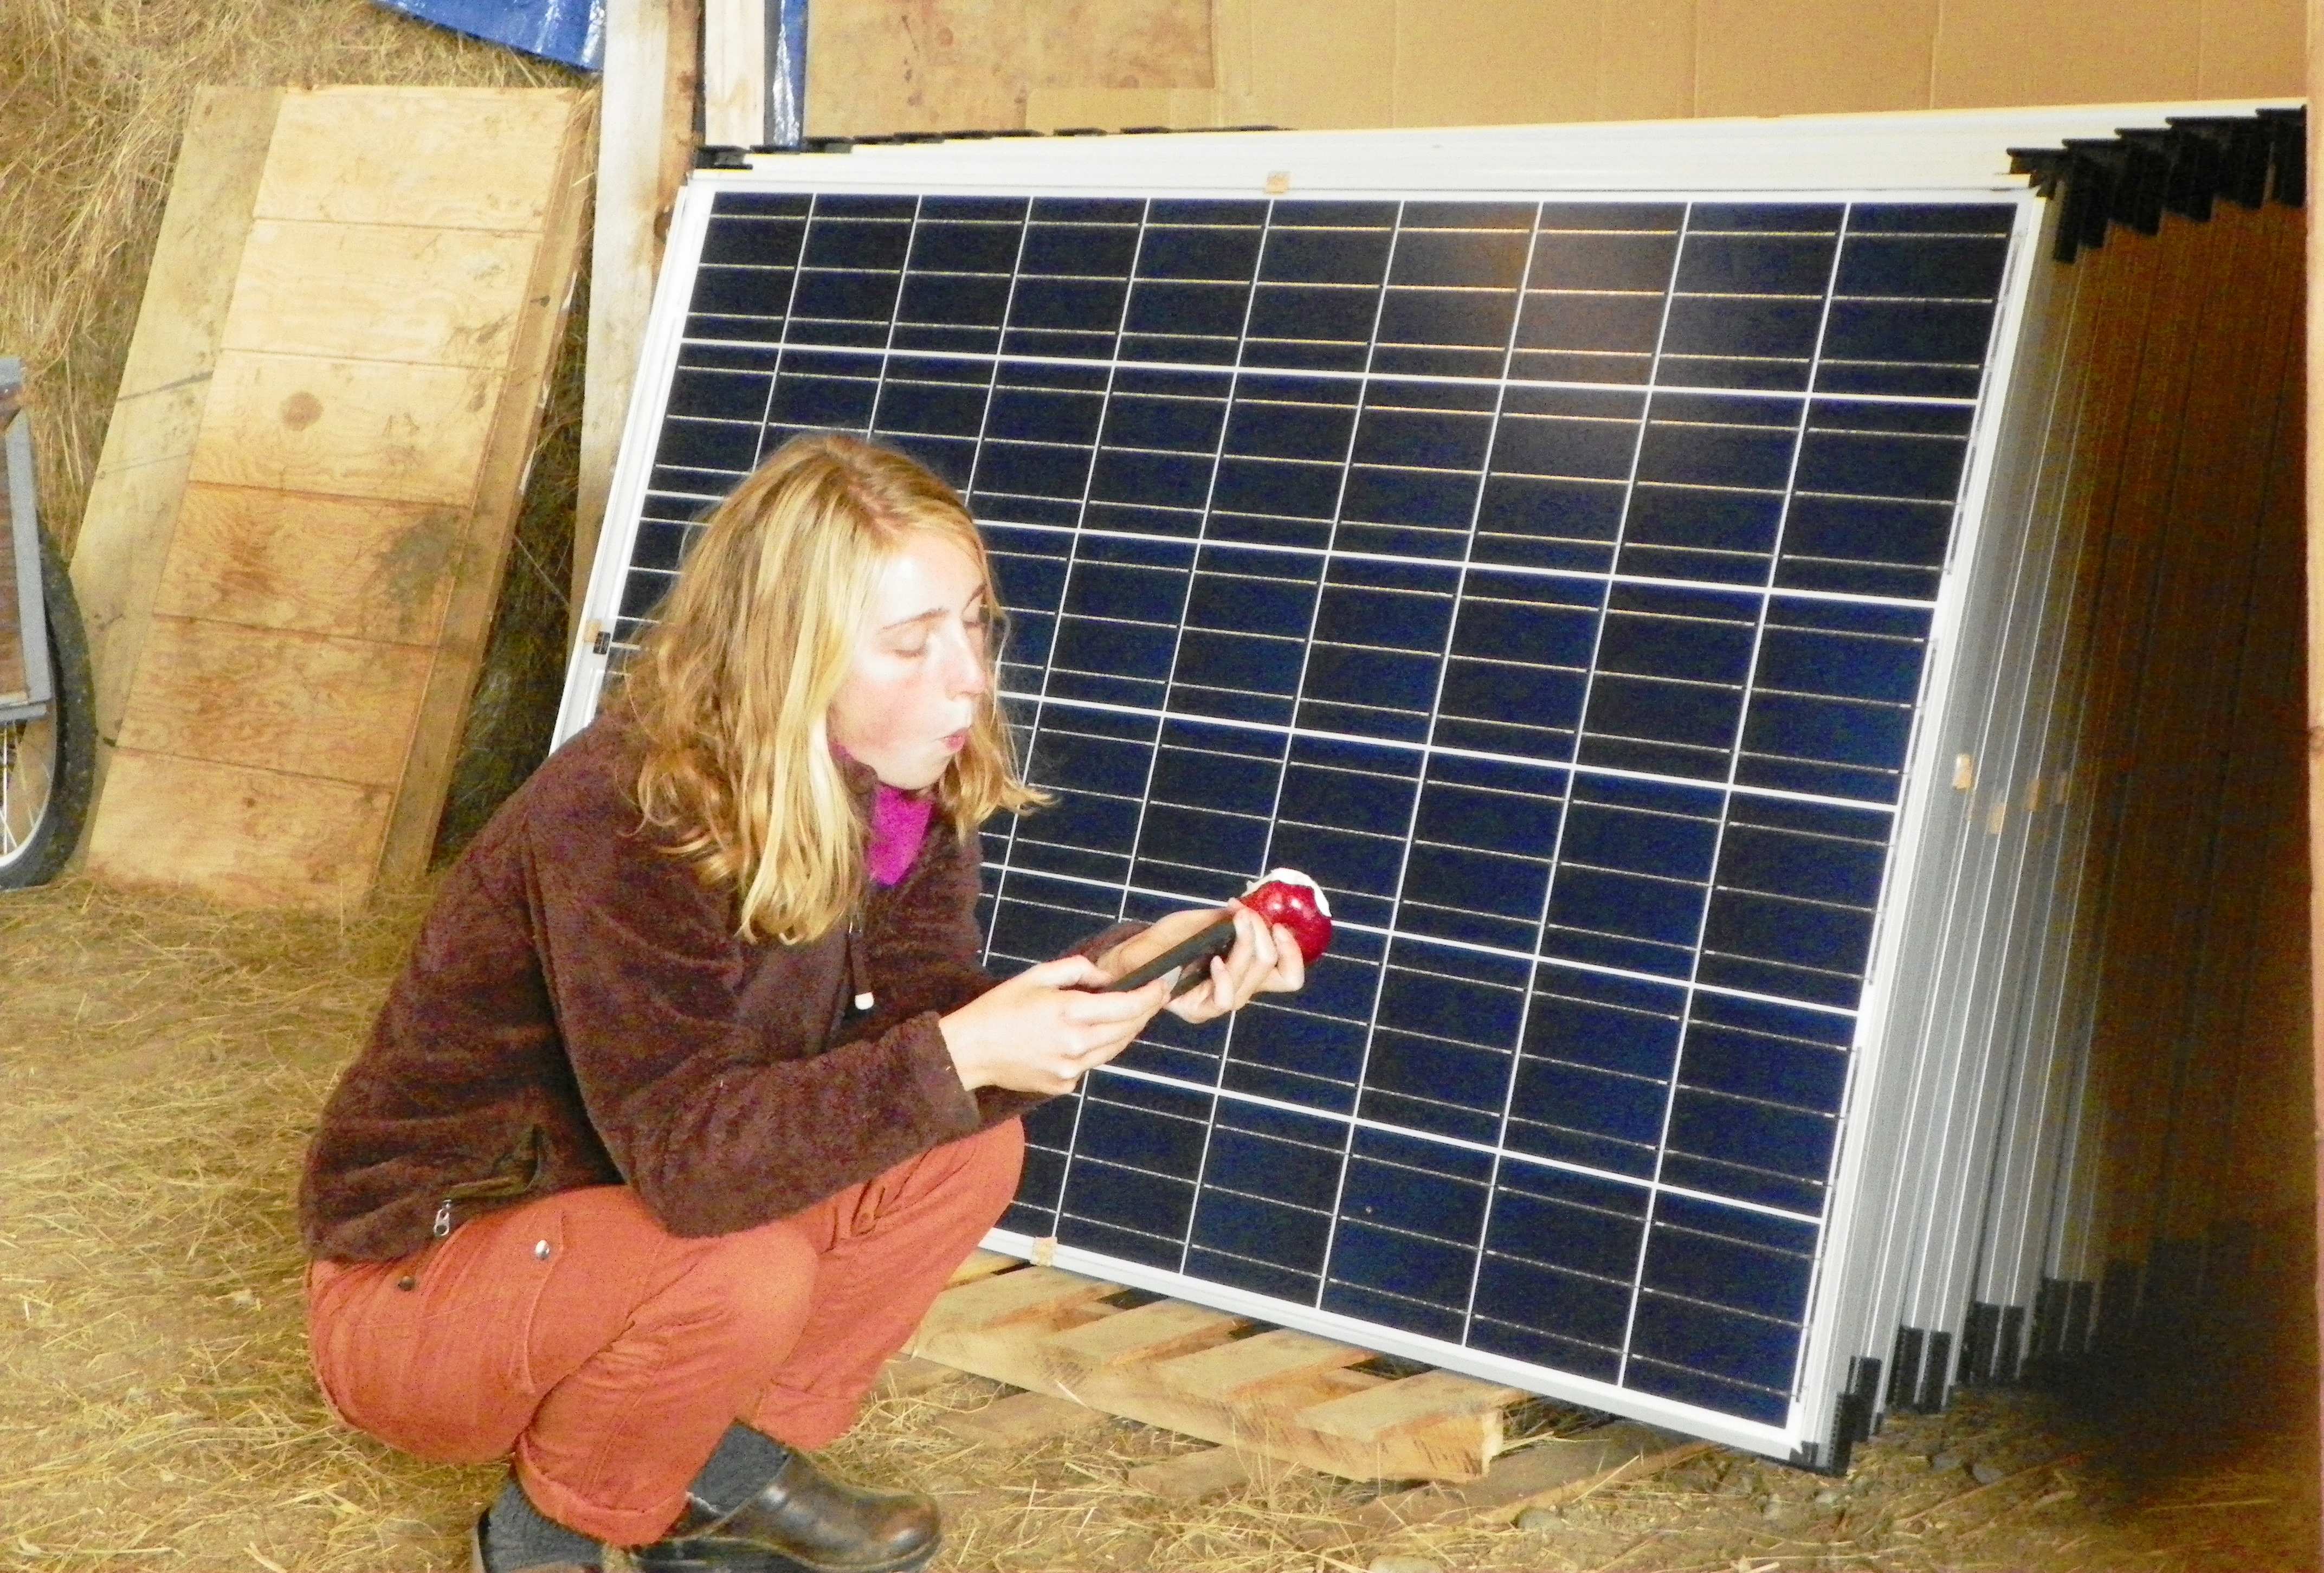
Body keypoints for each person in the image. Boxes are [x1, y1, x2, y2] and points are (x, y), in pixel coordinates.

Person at [296, 434, 1307, 1573]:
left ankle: (705, 1493)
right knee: (738, 1264)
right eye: (909, 643)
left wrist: (1126, 966)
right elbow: (691, 1165)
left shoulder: (899, 793)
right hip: (430, 1283)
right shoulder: (624, 815)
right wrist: (962, 1047)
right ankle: (541, 1540)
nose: (967, 675)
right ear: (788, 656)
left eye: (972, 621)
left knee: (963, 1156)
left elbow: (901, 1050)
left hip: (631, 1225)